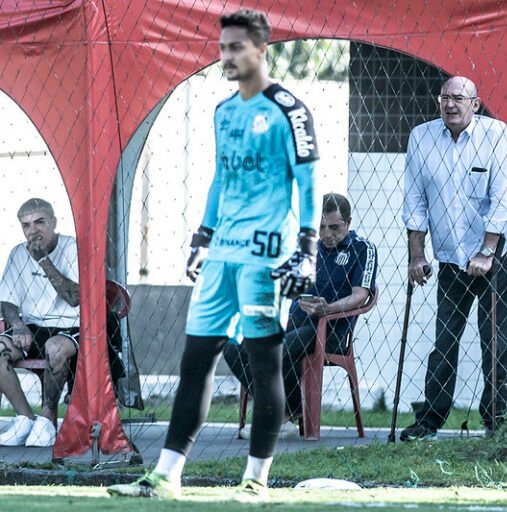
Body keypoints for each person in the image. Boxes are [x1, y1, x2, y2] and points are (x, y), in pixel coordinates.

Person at [107, 9, 319, 502]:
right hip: (221, 254)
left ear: (261, 50)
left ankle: (255, 481)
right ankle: (165, 476)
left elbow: (308, 183)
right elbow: (222, 178)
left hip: (266, 257)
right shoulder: (224, 111)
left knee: (263, 364)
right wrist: (202, 236)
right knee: (196, 360)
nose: (226, 56)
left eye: (236, 48)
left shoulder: (290, 110)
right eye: (222, 48)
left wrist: (305, 251)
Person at [400, 76, 507, 441]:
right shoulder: (422, 137)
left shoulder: (495, 135)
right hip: (452, 258)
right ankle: (430, 419)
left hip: (497, 257)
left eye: (458, 98)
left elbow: (505, 194)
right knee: (445, 339)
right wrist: (416, 254)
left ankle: (495, 420)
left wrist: (486, 250)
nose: (450, 104)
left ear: (475, 104)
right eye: (444, 98)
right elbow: (415, 199)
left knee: (496, 338)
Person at [224, 193, 377, 438]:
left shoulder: (362, 249)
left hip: (331, 329)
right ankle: (280, 408)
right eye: (321, 227)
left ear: (348, 223)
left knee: (281, 347)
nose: (327, 234)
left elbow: (361, 295)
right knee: (233, 345)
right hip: (295, 321)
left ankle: (283, 414)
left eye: (334, 227)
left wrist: (328, 308)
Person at [0, 198, 80, 448]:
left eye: (39, 222)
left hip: (70, 327)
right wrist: (18, 324)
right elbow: (8, 301)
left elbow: (74, 297)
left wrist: (43, 261)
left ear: (53, 222)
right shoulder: (17, 253)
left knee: (55, 349)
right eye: (26, 225)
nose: (32, 230)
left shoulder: (71, 247)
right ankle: (25, 417)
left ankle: (47, 421)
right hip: (33, 327)